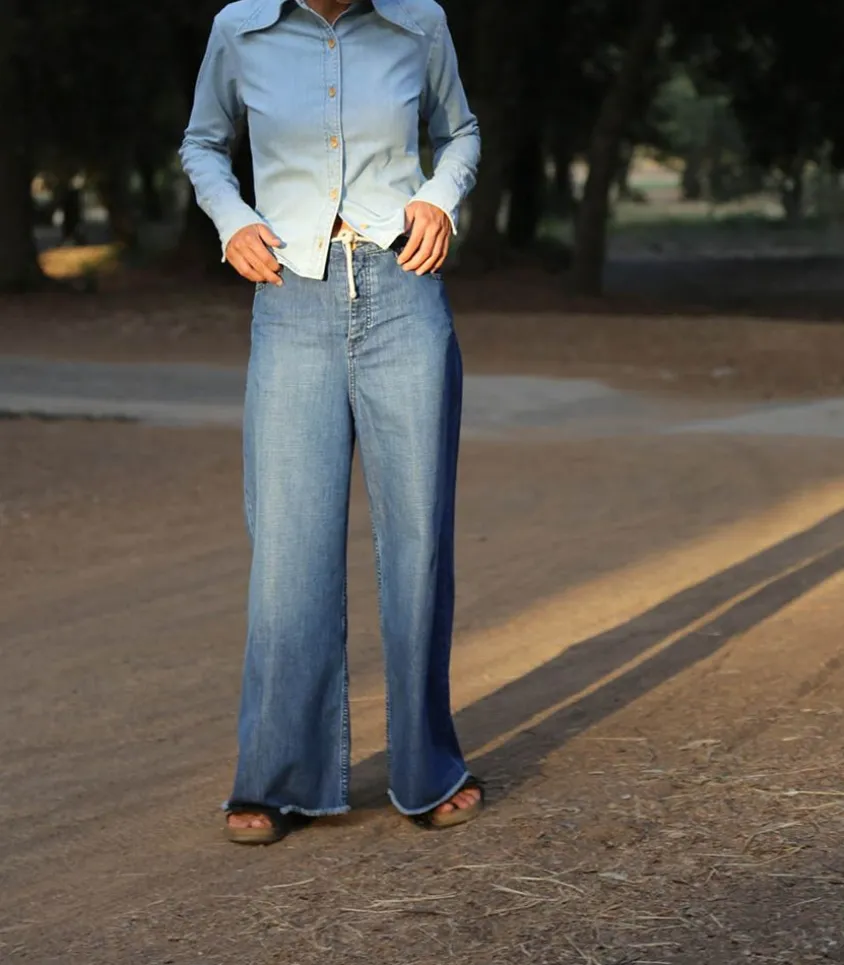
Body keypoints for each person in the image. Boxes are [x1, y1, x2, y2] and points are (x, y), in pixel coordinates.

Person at [180, 0, 482, 845]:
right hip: (291, 300)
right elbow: (203, 144)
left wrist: (439, 198)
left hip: (404, 296)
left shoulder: (419, 22)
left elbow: (461, 132)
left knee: (418, 542)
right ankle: (279, 776)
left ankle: (427, 767)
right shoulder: (239, 29)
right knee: (289, 548)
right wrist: (233, 219)